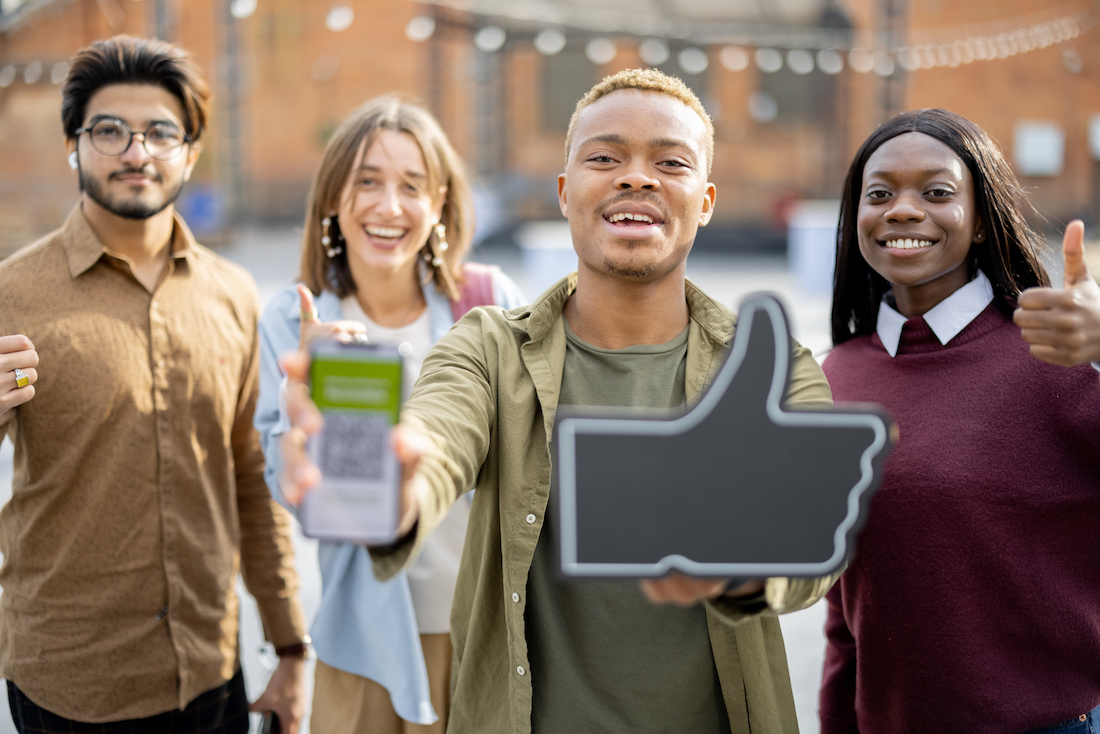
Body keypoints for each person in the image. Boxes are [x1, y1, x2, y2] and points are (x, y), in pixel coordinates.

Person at [279, 68, 841, 733]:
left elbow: (813, 534)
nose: (636, 177)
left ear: (707, 199)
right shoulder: (487, 347)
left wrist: (750, 564)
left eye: (670, 162)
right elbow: (438, 433)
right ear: (564, 191)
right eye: (605, 158)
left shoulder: (774, 369)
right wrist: (393, 484)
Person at [0, 35, 309, 733]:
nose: (136, 153)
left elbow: (249, 481)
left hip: (212, 669)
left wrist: (290, 645)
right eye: (109, 131)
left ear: (190, 154)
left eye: (160, 132)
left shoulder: (232, 294)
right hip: (73, 684)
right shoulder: (12, 296)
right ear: (73, 146)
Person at [819, 108, 1100, 734]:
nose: (903, 209)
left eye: (937, 192)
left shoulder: (1062, 359)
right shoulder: (831, 377)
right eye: (879, 193)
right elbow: (848, 604)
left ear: (979, 221)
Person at [254, 96, 524, 733]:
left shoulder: (488, 303)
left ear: (440, 207)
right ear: (332, 201)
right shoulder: (294, 321)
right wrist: (317, 417)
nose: (389, 206)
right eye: (367, 181)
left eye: (412, 185)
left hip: (485, 633)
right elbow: (286, 484)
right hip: (367, 644)